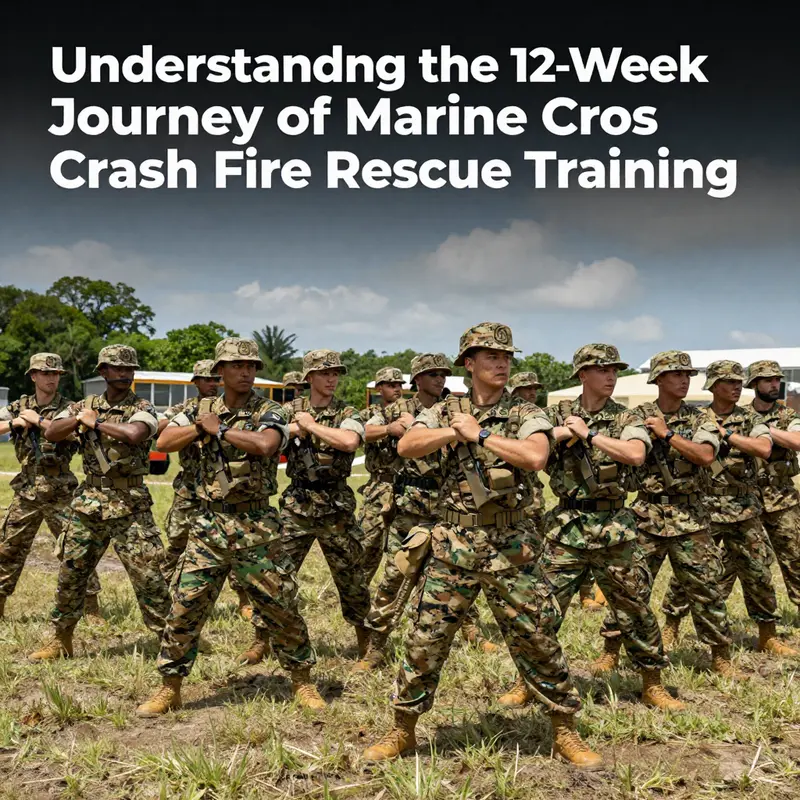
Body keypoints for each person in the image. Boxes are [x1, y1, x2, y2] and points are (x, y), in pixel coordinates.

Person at [362, 323, 601, 770]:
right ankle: (403, 728)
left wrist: (481, 436)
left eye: (506, 357)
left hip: (512, 546)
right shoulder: (445, 409)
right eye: (491, 356)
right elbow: (408, 445)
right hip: (454, 543)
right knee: (425, 639)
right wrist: (455, 432)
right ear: (469, 363)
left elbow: (535, 456)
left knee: (537, 638)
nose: (501, 363)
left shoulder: (524, 410)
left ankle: (564, 728)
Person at [135, 337, 325, 716]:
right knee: (185, 606)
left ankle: (302, 680)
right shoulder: (198, 409)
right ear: (220, 371)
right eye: (237, 365)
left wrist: (219, 430)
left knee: (280, 605)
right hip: (208, 523)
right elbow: (165, 440)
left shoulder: (269, 409)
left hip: (256, 526)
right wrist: (201, 428)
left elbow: (266, 444)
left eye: (251, 366)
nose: (246, 372)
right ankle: (170, 686)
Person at [498, 343, 682, 712]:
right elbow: (530, 450)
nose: (611, 376)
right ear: (583, 374)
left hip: (615, 527)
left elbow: (636, 454)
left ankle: (652, 683)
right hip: (566, 527)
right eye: (602, 369)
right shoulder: (553, 414)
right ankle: (527, 681)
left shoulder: (625, 417)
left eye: (614, 370)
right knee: (541, 611)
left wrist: (589, 435)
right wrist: (561, 433)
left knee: (635, 609)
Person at [594, 351, 741, 679]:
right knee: (629, 589)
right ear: (659, 379)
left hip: (690, 516)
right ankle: (610, 650)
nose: (684, 380)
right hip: (646, 514)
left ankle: (721, 656)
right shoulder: (636, 417)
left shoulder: (700, 419)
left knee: (706, 588)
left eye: (688, 374)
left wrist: (667, 434)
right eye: (677, 374)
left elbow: (705, 455)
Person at [355, 353, 496, 672]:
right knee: (395, 576)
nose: (439, 379)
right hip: (410, 505)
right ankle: (375, 645)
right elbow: (361, 431)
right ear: (417, 379)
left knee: (457, 574)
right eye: (432, 374)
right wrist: (391, 428)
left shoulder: (456, 408)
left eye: (443, 374)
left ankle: (470, 630)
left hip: (448, 505)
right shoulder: (398, 409)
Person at [28, 345, 171, 660]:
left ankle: (171, 644)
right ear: (103, 371)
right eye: (117, 368)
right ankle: (61, 639)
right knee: (71, 573)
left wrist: (94, 424)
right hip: (90, 503)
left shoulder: (142, 406)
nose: (124, 374)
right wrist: (78, 418)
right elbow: (52, 432)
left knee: (149, 577)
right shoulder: (85, 405)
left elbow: (134, 434)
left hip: (131, 504)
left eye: (129, 369)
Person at [660, 360, 798, 657]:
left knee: (758, 572)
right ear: (713, 386)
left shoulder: (750, 418)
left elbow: (764, 448)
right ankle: (672, 625)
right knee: (690, 572)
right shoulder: (696, 418)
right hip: (704, 508)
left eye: (739, 382)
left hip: (744, 508)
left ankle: (767, 634)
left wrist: (726, 434)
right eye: (729, 382)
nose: (737, 387)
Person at [243, 349, 372, 664]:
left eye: (335, 373)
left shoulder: (347, 411)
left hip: (336, 506)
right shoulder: (287, 410)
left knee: (352, 578)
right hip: (297, 504)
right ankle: (261, 638)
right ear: (309, 377)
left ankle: (367, 643)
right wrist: (292, 429)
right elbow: (261, 439)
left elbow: (349, 442)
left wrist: (310, 426)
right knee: (275, 576)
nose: (332, 379)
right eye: (325, 373)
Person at [0, 353, 102, 622]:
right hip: (27, 490)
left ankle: (91, 607)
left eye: (56, 374)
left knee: (77, 549)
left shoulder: (70, 408)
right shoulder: (19, 407)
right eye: (46, 373)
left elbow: (74, 433)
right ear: (33, 376)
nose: (51, 378)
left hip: (61, 491)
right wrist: (14, 423)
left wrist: (38, 420)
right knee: (8, 549)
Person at [743, 360, 800, 616]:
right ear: (754, 384)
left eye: (777, 380)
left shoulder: (788, 415)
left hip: (782, 499)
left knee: (795, 560)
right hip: (745, 501)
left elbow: (797, 441)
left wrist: (765, 431)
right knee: (739, 563)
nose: (775, 384)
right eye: (768, 380)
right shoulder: (740, 415)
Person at [358, 367, 405, 583]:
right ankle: (359, 593)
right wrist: (388, 429)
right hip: (378, 487)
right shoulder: (368, 415)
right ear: (379, 388)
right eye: (391, 385)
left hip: (405, 488)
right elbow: (359, 434)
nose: (397, 389)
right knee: (366, 545)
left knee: (403, 548)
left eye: (399, 385)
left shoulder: (409, 412)